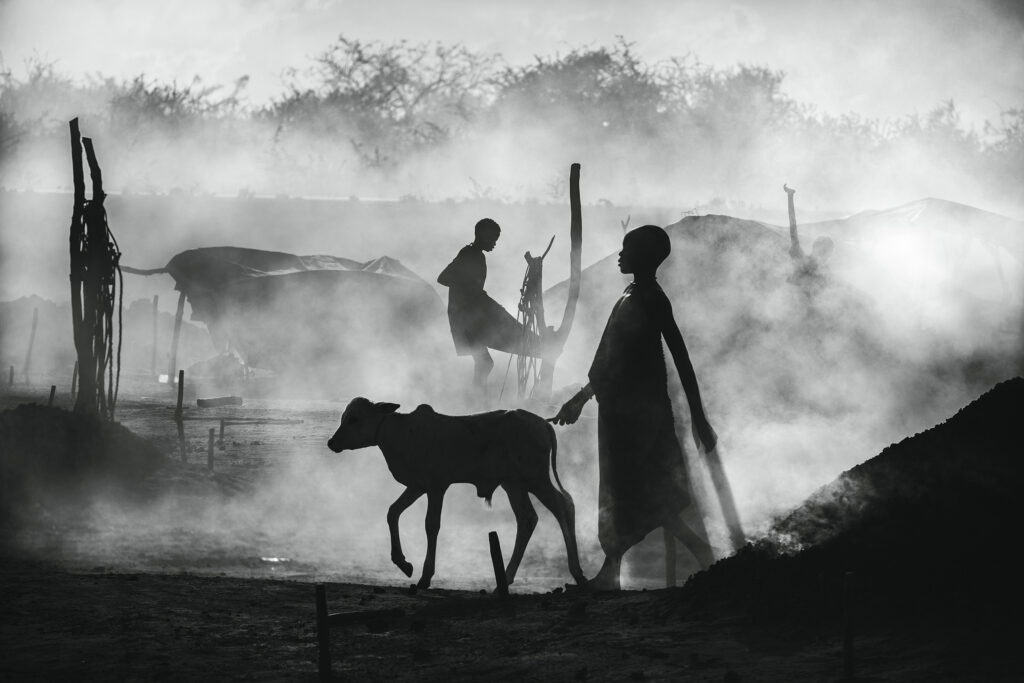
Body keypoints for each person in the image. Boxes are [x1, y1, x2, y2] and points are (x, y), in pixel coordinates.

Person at [550, 224, 717, 591]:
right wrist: (580, 399)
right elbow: (612, 362)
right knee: (625, 493)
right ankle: (618, 571)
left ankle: (699, 556)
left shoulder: (653, 299)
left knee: (642, 494)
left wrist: (699, 418)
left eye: (627, 248)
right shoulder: (630, 294)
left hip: (644, 417)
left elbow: (682, 359)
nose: (620, 255)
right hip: (620, 416)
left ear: (644, 256)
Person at [437, 218, 542, 392]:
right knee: (485, 362)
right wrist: (468, 287)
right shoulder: (469, 254)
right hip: (465, 318)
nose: (494, 243)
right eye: (492, 238)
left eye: (496, 239)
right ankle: (476, 401)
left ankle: (477, 399)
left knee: (484, 362)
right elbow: (443, 278)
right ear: (481, 235)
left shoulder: (475, 255)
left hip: (469, 315)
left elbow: (472, 289)